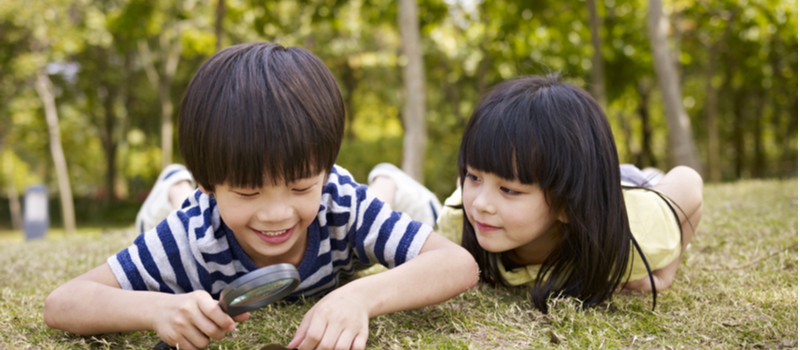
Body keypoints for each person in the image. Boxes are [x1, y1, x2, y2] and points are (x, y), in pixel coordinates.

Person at [43, 42, 478, 350]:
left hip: (358, 194)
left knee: (397, 203)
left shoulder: (340, 201)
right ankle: (173, 185)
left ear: (325, 173)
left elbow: (457, 264)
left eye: (301, 186)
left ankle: (388, 182)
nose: (276, 214)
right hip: (186, 207)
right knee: (172, 210)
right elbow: (63, 303)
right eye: (248, 191)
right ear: (209, 185)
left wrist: (357, 297)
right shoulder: (191, 234)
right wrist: (158, 310)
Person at [368, 75, 703, 313]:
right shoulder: (459, 222)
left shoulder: (636, 233)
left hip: (627, 183)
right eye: (473, 175)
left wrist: (662, 275)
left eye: (509, 190)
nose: (481, 204)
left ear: (567, 205)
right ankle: (392, 178)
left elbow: (688, 184)